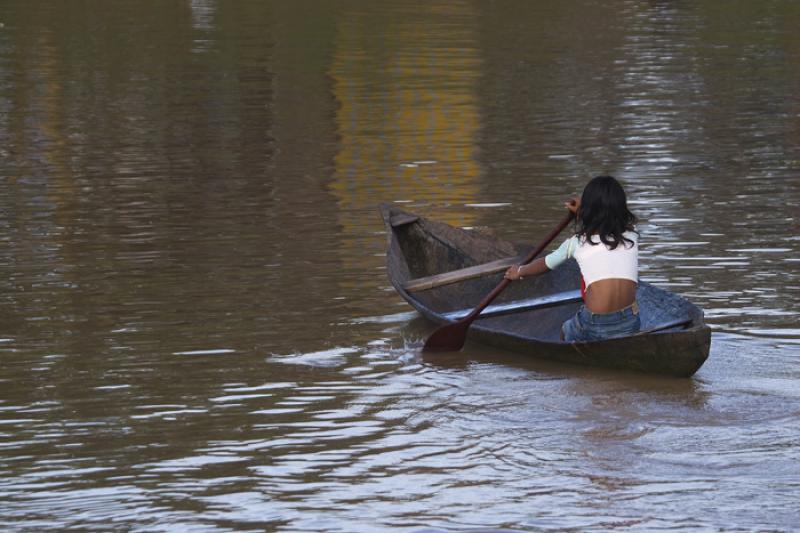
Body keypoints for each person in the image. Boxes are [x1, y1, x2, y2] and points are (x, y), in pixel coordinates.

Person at [504, 176, 640, 342]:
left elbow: (547, 263)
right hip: (630, 321)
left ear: (588, 211)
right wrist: (585, 211)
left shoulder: (577, 242)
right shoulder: (632, 235)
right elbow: (609, 217)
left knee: (565, 329)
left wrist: (519, 271)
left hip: (594, 323)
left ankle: (568, 353)